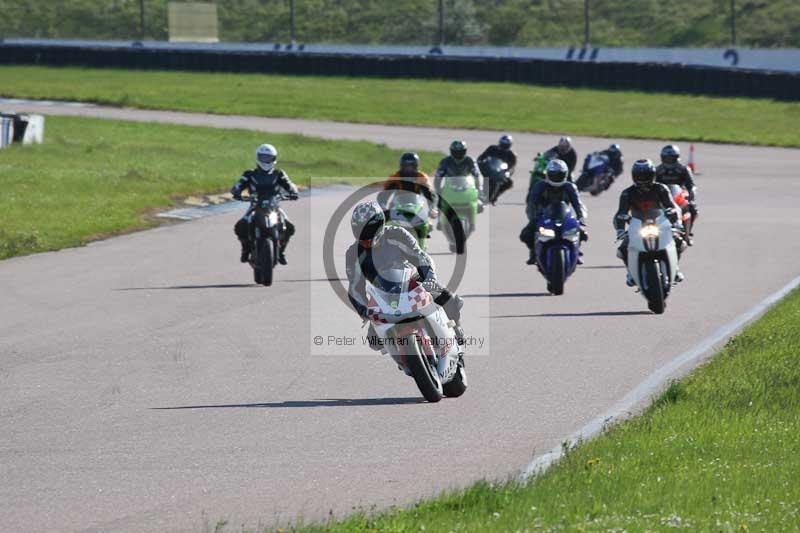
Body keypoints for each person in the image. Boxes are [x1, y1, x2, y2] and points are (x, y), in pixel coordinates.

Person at [345, 201, 466, 355]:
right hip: (382, 295)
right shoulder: (353, 254)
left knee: (449, 298)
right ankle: (404, 357)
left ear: (380, 223)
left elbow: (420, 257)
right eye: (360, 229)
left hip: (411, 281)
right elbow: (355, 287)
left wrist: (429, 278)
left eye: (369, 228)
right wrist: (364, 311)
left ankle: (455, 327)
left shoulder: (396, 234)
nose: (365, 233)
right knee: (374, 341)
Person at [613, 159, 684, 286]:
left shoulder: (661, 188)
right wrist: (620, 230)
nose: (642, 179)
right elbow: (620, 213)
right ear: (634, 176)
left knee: (679, 241)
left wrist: (676, 222)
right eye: (639, 176)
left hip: (660, 223)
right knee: (623, 249)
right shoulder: (627, 193)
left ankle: (676, 268)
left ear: (652, 175)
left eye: (645, 175)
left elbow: (672, 206)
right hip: (637, 225)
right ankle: (631, 272)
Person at [231, 143, 299, 265]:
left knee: (289, 227)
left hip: (274, 206)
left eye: (268, 158)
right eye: (263, 157)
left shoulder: (279, 174)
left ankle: (281, 251)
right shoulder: (249, 174)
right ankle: (245, 249)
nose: (266, 161)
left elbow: (290, 184)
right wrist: (236, 192)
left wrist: (293, 192)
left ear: (274, 159)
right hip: (255, 206)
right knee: (240, 226)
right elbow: (238, 185)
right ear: (257, 158)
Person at [520, 159, 588, 266]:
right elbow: (531, 204)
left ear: (565, 174)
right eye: (553, 174)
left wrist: (581, 218)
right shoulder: (539, 186)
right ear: (547, 174)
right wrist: (533, 217)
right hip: (543, 216)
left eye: (559, 174)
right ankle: (533, 251)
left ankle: (575, 252)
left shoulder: (570, 187)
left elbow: (578, 204)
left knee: (583, 234)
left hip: (565, 216)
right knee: (525, 234)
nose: (556, 177)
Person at [656, 144, 698, 242]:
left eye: (671, 158)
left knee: (693, 208)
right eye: (667, 158)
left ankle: (687, 234)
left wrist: (691, 197)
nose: (669, 160)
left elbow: (691, 186)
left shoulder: (683, 169)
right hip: (661, 196)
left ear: (677, 157)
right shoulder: (658, 170)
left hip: (679, 195)